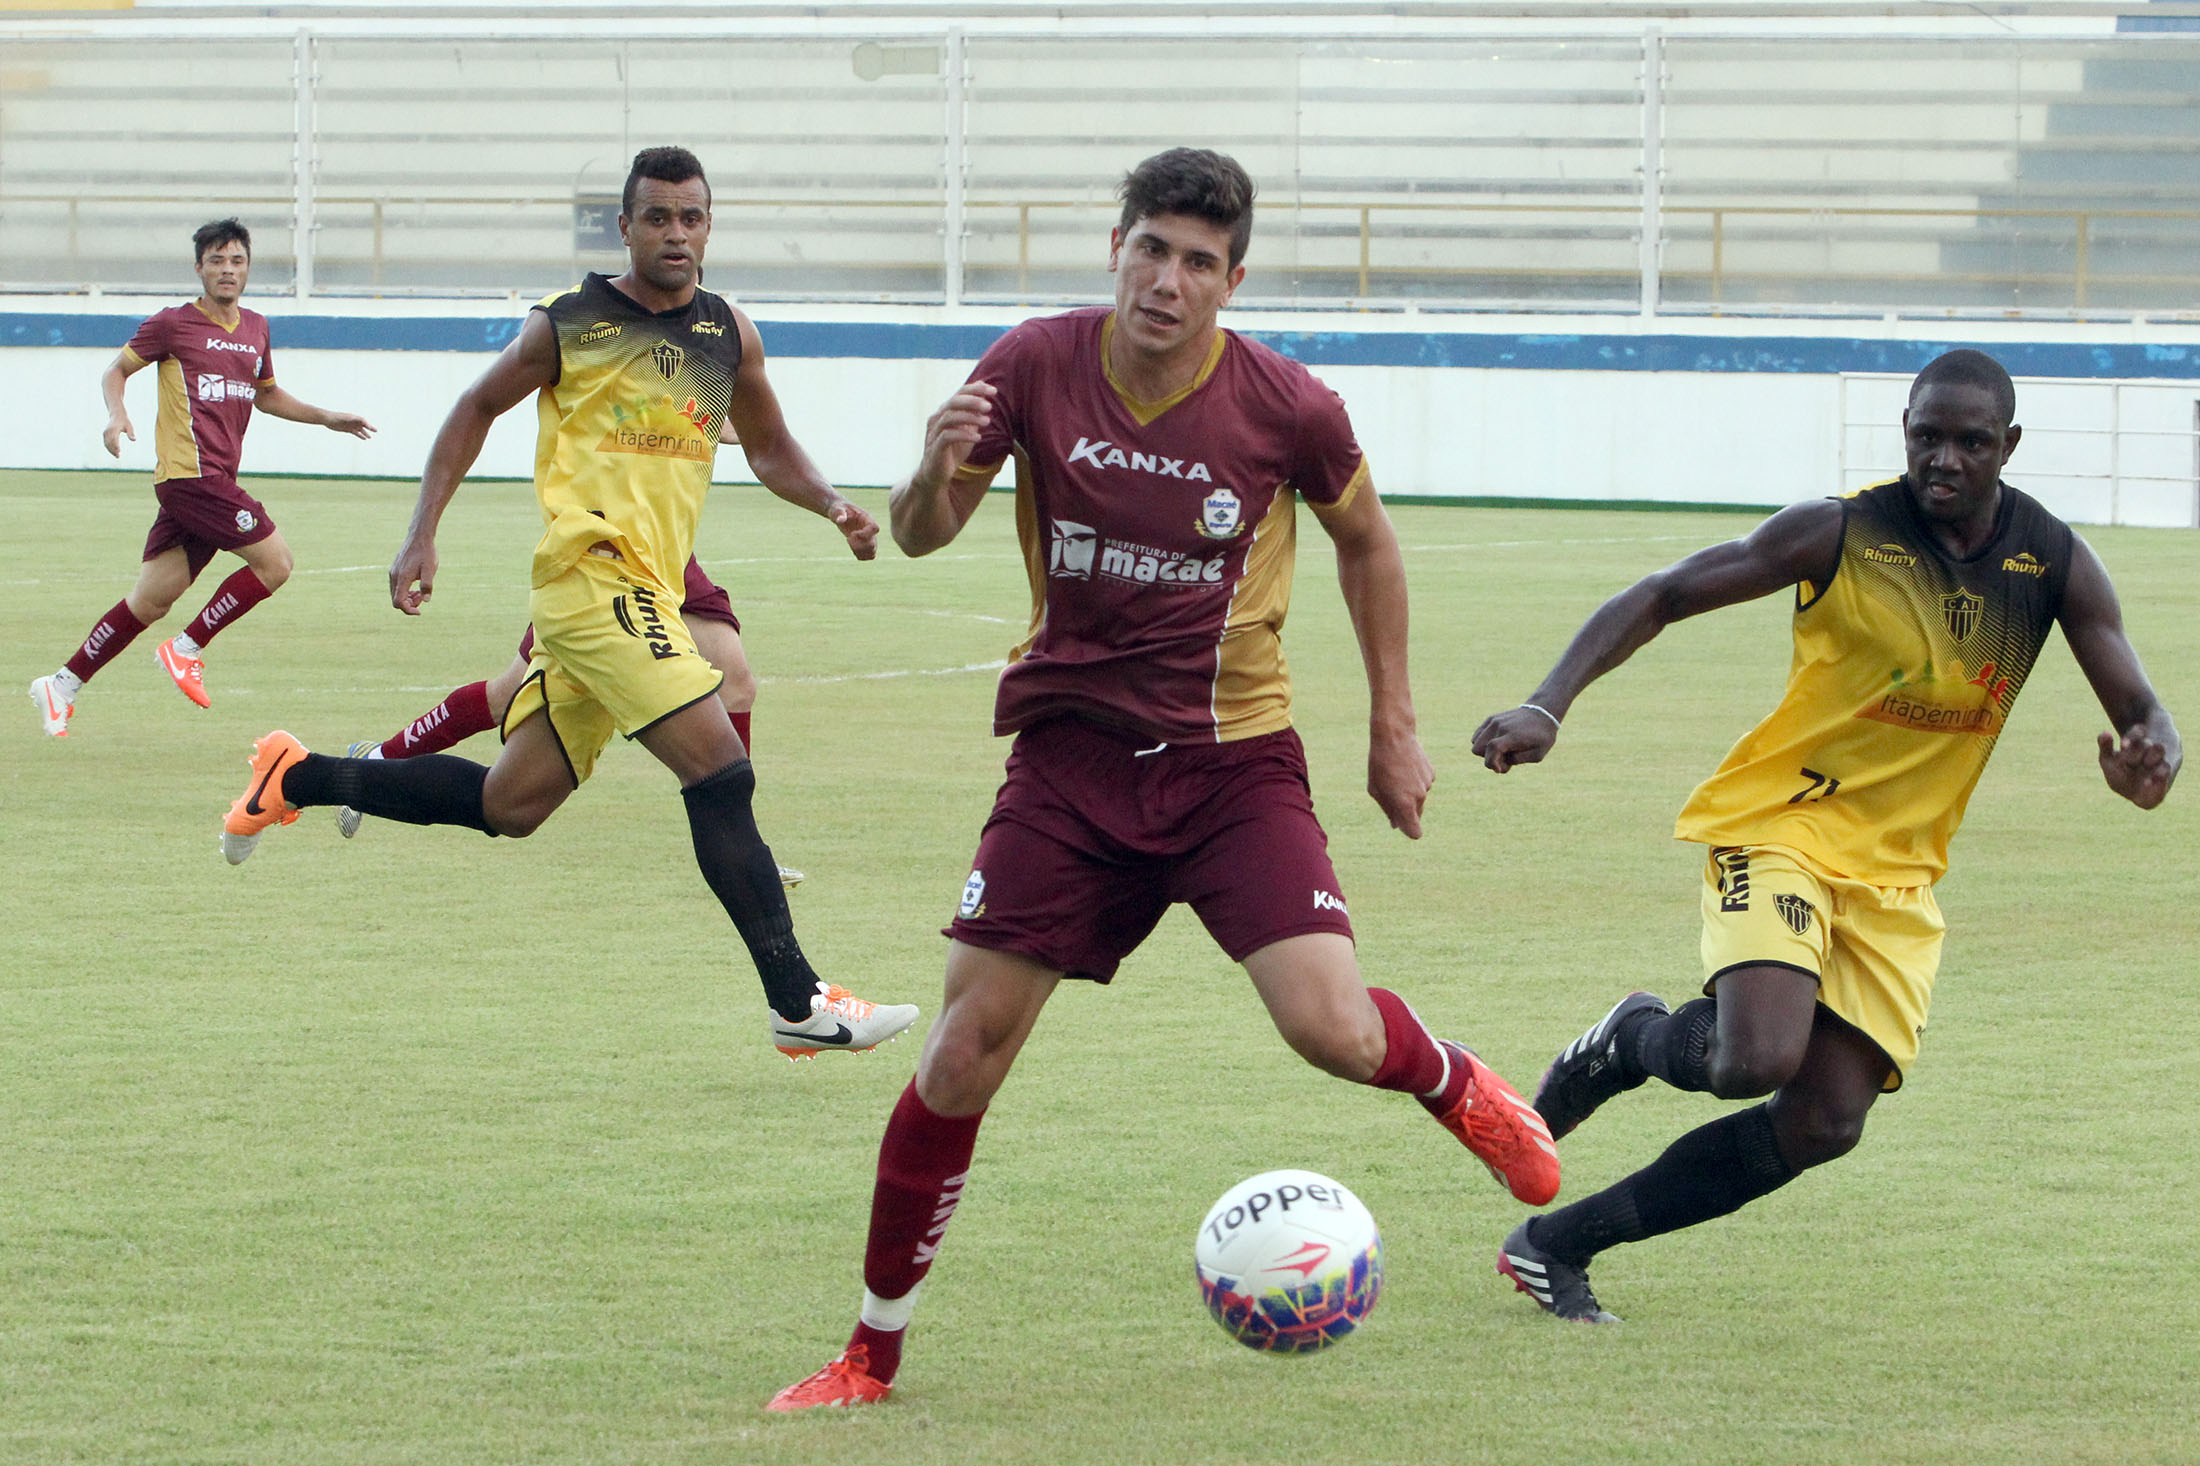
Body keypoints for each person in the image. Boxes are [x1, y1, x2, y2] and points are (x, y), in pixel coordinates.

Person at [766, 147, 1559, 1411]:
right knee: (963, 1050)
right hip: (1068, 765)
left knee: (1332, 1030)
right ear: (1117, 248)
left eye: (1199, 262)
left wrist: (1390, 725)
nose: (1168, 280)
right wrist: (931, 461)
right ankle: (872, 1351)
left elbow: (1368, 542)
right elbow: (921, 532)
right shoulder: (1029, 364)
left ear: (1230, 281)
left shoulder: (1286, 406)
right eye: (1151, 249)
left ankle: (1454, 1082)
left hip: (1229, 766)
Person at [1470, 348, 2180, 1324]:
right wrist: (1546, 703)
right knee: (1753, 1057)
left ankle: (1556, 1243)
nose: (1942, 458)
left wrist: (2153, 757)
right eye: (1924, 435)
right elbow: (1664, 592)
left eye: (1969, 442)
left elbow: (2141, 707)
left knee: (1824, 1119)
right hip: (1782, 827)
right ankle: (1626, 1041)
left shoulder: (2049, 561)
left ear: (2006, 446)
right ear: (1904, 428)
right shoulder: (1841, 532)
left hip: (1895, 879)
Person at [217, 145, 909, 1059]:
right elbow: (472, 409)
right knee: (720, 772)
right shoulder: (568, 323)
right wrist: (422, 531)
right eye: (657, 217)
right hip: (589, 578)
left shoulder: (727, 332)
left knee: (513, 804)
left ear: (710, 225)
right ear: (625, 226)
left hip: (649, 587)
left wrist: (831, 504)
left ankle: (295, 775)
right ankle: (798, 1000)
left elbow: (771, 445)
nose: (676, 232)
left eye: (691, 216)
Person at [29, 218, 374, 734]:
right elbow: (115, 371)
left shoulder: (256, 328)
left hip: (204, 485)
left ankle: (61, 684)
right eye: (216, 261)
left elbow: (268, 394)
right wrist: (116, 413)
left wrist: (328, 418)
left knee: (150, 599)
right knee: (276, 563)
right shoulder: (172, 323)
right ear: (199, 268)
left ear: (248, 268)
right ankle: (187, 647)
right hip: (192, 478)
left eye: (237, 261)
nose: (227, 270)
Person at [334, 549, 820, 891]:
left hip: (665, 548)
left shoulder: (702, 398)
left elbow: (742, 427)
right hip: (602, 554)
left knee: (737, 682)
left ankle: (746, 850)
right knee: (507, 695)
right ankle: (376, 758)